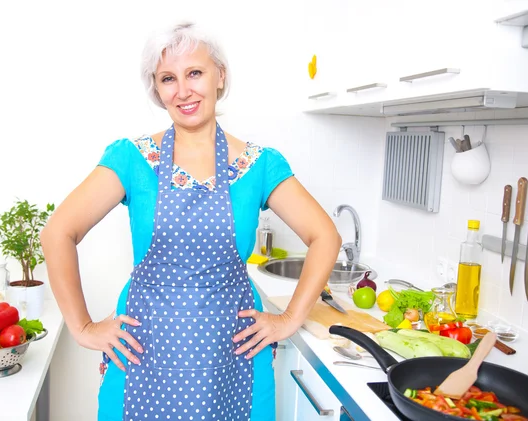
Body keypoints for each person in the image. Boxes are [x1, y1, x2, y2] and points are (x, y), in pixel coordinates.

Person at [40, 21, 341, 421]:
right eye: (168, 78)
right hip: (143, 354)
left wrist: (290, 319)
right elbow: (58, 231)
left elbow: (325, 236)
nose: (182, 91)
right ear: (157, 89)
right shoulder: (132, 159)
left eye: (194, 73)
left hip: (231, 357)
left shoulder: (259, 165)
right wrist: (82, 327)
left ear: (221, 76)